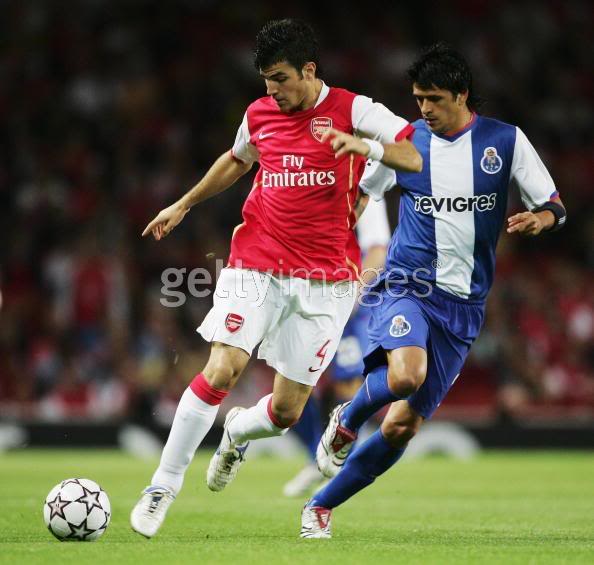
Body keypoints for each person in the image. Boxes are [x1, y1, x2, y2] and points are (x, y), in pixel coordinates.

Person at [130, 18, 421, 538]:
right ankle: (162, 486)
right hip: (257, 261)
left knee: (286, 412)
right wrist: (183, 204)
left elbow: (412, 153)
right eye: (267, 82)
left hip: (326, 278)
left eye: (281, 79)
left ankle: (239, 430)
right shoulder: (259, 113)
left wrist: (366, 150)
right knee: (223, 368)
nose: (274, 92)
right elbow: (236, 161)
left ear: (309, 70)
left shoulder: (354, 110)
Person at [300, 43, 566, 538]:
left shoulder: (505, 141)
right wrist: (335, 229)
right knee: (406, 375)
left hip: (464, 303)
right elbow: (365, 192)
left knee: (401, 426)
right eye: (419, 98)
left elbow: (553, 204)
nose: (424, 108)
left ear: (461, 95)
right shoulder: (409, 142)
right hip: (408, 284)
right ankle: (348, 417)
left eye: (434, 99)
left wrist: (541, 220)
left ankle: (320, 505)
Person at [284, 186, 392, 498]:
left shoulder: (366, 186)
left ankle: (338, 467)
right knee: (290, 383)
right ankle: (316, 458)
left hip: (349, 302)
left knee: (349, 385)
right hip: (307, 293)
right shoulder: (307, 180)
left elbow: (378, 249)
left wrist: (355, 294)